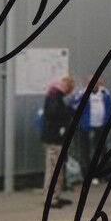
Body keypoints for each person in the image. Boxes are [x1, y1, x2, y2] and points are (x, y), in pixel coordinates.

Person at [41, 75, 75, 207]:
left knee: (58, 170)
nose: (70, 93)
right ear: (66, 86)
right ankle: (51, 198)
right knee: (54, 170)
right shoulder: (55, 97)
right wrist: (68, 113)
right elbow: (55, 114)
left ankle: (56, 195)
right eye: (70, 89)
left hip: (57, 140)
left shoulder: (56, 97)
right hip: (55, 140)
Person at [73, 80, 111, 184]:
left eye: (96, 83)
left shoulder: (104, 93)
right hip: (87, 127)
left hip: (102, 126)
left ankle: (106, 175)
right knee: (88, 152)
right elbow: (75, 106)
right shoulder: (82, 94)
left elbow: (109, 107)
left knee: (105, 151)